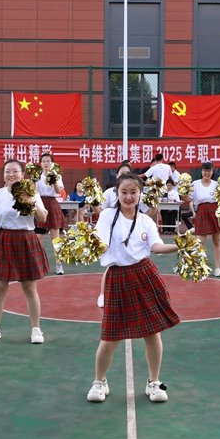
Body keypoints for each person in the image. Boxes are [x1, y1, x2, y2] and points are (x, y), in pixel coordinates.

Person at [86, 172, 180, 403]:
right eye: (124, 192)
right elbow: (102, 243)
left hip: (145, 275)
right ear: (117, 193)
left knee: (152, 333)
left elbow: (156, 247)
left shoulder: (146, 221)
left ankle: (154, 382)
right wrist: (89, 247)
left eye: (133, 192)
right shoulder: (107, 215)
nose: (129, 197)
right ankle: (99, 382)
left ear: (140, 194)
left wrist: (181, 244)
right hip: (117, 278)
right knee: (109, 338)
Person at [0, 159, 49, 344]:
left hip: (26, 239)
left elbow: (42, 218)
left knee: (29, 288)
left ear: (22, 174)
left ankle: (36, 329)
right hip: (4, 239)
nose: (11, 175)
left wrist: (30, 200)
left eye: (15, 171)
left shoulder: (32, 192)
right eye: (7, 171)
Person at [92, 162, 155, 308]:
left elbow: (148, 214)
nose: (128, 196)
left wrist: (154, 204)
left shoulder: (138, 196)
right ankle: (103, 294)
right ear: (117, 176)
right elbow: (100, 211)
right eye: (122, 173)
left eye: (127, 173)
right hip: (113, 232)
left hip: (131, 232)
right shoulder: (110, 194)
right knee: (112, 266)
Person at [184, 161, 220, 277]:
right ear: (201, 171)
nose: (207, 173)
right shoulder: (195, 184)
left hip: (215, 212)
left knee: (217, 241)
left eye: (209, 171)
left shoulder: (217, 184)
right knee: (199, 242)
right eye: (205, 170)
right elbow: (188, 199)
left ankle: (217, 268)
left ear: (212, 172)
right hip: (201, 211)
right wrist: (183, 191)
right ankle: (197, 267)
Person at [34, 153, 68, 275]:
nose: (46, 163)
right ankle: (37, 264)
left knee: (56, 240)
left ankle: (59, 264)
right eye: (43, 161)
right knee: (38, 238)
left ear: (52, 163)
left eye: (48, 161)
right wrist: (34, 180)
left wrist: (53, 179)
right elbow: (34, 191)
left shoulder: (56, 175)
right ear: (41, 163)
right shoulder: (37, 175)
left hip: (53, 204)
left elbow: (58, 191)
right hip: (40, 204)